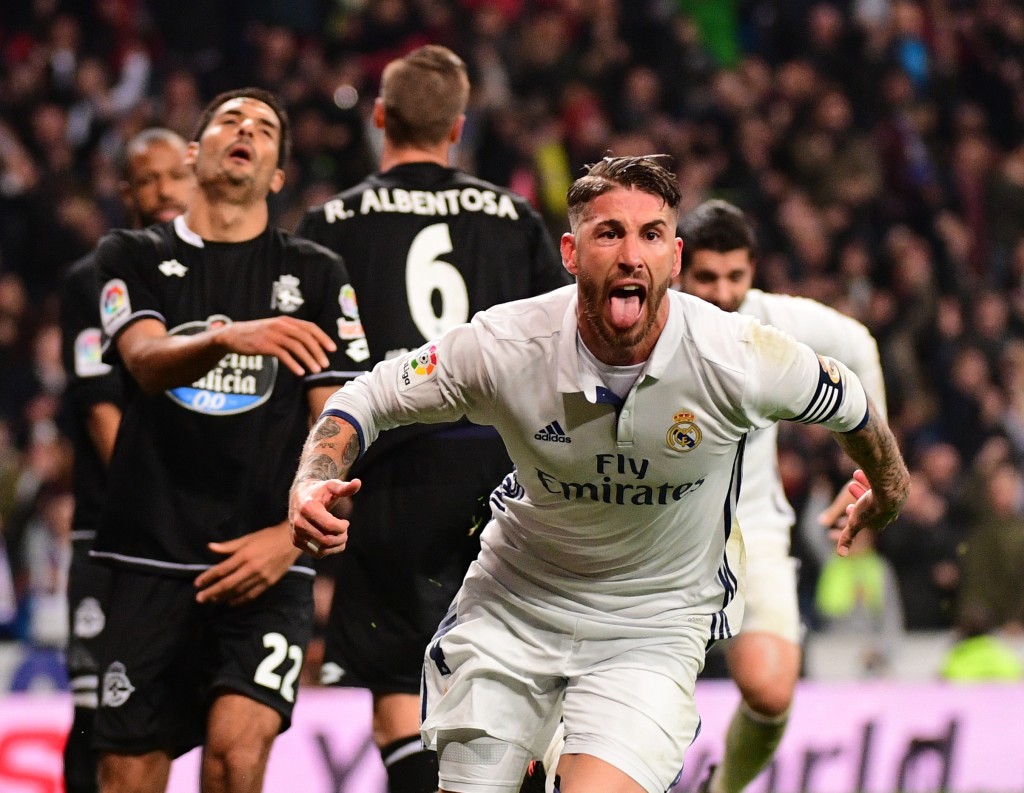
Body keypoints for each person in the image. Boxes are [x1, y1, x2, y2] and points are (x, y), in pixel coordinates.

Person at [289, 155, 910, 793]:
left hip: (652, 622)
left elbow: (853, 405)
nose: (630, 254)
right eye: (609, 232)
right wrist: (313, 476)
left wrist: (888, 483)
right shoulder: (508, 345)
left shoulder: (738, 356)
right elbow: (367, 398)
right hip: (514, 609)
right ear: (570, 252)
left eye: (650, 235)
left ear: (674, 255)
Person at [294, 44, 569, 793]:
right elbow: (562, 350)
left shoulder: (331, 221)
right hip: (502, 474)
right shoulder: (513, 217)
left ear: (380, 117)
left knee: (398, 699)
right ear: (458, 125)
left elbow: (312, 370)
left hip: (388, 477)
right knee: (520, 678)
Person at [91, 88, 369, 793]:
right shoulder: (132, 254)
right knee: (127, 775)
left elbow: (341, 421)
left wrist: (291, 537)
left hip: (268, 564)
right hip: (148, 556)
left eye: (265, 127)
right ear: (195, 153)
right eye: (229, 121)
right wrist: (231, 336)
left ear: (277, 173)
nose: (246, 130)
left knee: (237, 760)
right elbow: (147, 361)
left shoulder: (315, 275)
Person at [673, 198, 890, 793]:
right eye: (707, 278)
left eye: (735, 277)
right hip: (654, 533)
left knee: (770, 694)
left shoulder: (772, 320)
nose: (722, 292)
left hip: (750, 530)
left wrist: (872, 465)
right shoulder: (650, 324)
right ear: (678, 268)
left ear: (753, 271)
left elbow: (857, 346)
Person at [58, 127, 193, 793]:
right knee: (96, 713)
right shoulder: (89, 282)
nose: (164, 190)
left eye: (175, 175)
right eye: (149, 179)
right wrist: (164, 497)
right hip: (113, 535)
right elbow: (98, 406)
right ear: (126, 191)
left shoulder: (211, 275)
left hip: (195, 534)